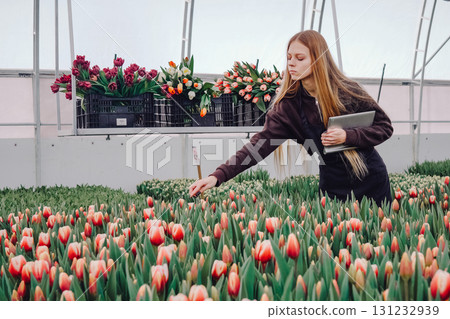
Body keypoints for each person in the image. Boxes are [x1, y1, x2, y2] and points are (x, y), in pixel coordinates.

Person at [189, 30, 393, 207]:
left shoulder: (347, 91)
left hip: (372, 182)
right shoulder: (288, 107)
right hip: (333, 186)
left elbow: (384, 127)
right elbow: (258, 146)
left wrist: (348, 137)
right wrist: (217, 176)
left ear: (318, 60)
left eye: (299, 58)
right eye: (289, 57)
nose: (291, 63)